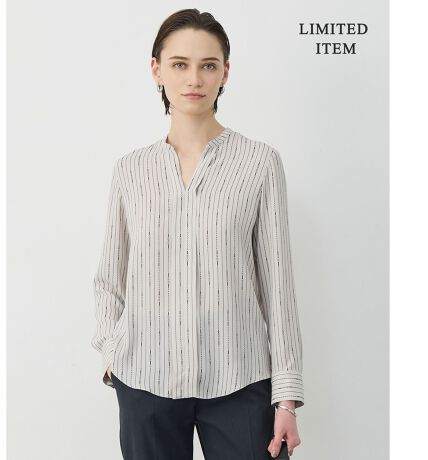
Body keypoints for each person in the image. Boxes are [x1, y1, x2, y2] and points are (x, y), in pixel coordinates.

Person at [91, 8, 304, 460]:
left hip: (241, 379)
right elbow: (110, 279)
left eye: (208, 65)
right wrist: (113, 357)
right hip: (145, 380)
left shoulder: (260, 163)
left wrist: (286, 398)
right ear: (157, 70)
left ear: (225, 72)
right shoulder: (130, 170)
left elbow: (278, 288)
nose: (194, 79)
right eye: (179, 64)